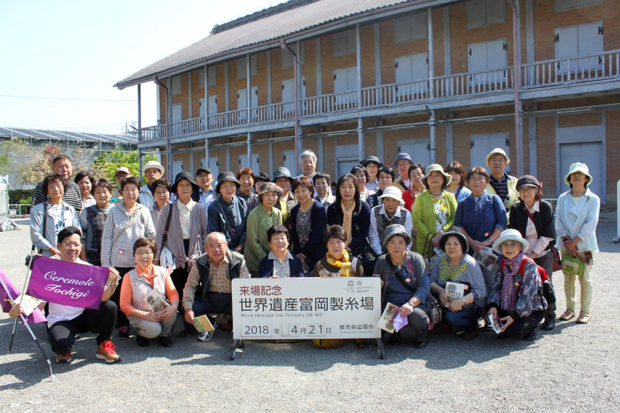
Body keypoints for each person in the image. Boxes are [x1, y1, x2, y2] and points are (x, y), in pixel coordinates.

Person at [10, 226, 121, 363]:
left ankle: (104, 345)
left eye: (76, 244)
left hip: (84, 317)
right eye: (68, 244)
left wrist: (113, 284)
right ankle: (64, 348)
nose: (72, 248)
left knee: (109, 306)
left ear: (81, 247)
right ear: (59, 246)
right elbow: (31, 299)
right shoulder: (48, 267)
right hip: (60, 320)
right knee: (61, 346)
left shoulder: (87, 268)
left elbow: (103, 298)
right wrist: (15, 311)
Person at [101, 175, 156, 339]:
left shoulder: (143, 211)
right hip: (118, 262)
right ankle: (123, 324)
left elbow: (151, 234)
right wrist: (106, 263)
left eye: (134, 189)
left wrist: (148, 255)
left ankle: (140, 324)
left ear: (139, 192)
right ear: (121, 192)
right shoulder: (113, 211)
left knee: (139, 294)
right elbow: (107, 237)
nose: (131, 193)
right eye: (127, 189)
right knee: (119, 294)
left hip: (138, 262)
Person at [508, 175, 557, 330]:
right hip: (523, 254)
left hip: (542, 252)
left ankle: (550, 315)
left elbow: (548, 235)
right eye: (522, 190)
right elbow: (514, 232)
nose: (526, 192)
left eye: (529, 189)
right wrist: (521, 254)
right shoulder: (516, 209)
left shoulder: (545, 207)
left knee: (545, 284)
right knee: (524, 285)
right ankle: (529, 315)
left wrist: (533, 254)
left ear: (537, 190)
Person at [155, 172, 208, 314]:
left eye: (188, 185)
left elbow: (204, 233)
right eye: (181, 185)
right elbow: (160, 233)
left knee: (194, 288)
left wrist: (204, 254)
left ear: (192, 188)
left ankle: (192, 322)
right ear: (176, 189)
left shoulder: (199, 208)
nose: (185, 188)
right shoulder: (168, 209)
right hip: (174, 253)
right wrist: (157, 255)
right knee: (176, 288)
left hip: (194, 253)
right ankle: (179, 322)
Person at [183, 232, 250, 341]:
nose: (216, 250)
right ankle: (207, 327)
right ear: (205, 248)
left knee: (247, 307)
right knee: (189, 306)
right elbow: (190, 286)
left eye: (219, 245)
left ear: (226, 245)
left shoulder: (239, 260)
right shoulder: (200, 262)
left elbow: (246, 287)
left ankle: (239, 331)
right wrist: (188, 309)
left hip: (232, 300)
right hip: (210, 299)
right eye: (212, 246)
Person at [555, 162, 600, 325]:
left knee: (585, 277)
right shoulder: (562, 198)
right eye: (574, 174)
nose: (576, 177)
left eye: (580, 174)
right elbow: (558, 220)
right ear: (570, 178)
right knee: (568, 276)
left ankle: (585, 311)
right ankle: (569, 308)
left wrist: (575, 242)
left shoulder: (593, 199)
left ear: (586, 178)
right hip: (566, 245)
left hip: (586, 246)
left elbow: (591, 223)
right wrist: (567, 240)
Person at [373, 224, 430, 348]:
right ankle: (395, 334)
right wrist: (377, 285)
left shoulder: (416, 259)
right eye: (392, 242)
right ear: (386, 245)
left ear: (406, 244)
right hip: (390, 303)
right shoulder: (382, 261)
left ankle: (421, 335)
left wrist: (410, 304)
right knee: (379, 318)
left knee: (417, 316)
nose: (396, 246)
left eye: (400, 242)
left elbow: (424, 287)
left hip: (414, 302)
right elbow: (374, 287)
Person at [487, 229, 546, 341]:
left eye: (513, 244)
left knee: (514, 331)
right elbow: (496, 287)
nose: (509, 248)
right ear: (501, 248)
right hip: (509, 305)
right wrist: (493, 305)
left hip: (531, 308)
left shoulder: (529, 265)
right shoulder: (502, 264)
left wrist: (514, 316)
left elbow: (528, 296)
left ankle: (532, 327)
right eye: (505, 245)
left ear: (520, 247)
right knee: (500, 330)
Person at [454, 166, 507, 289]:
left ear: (487, 182)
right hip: (468, 250)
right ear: (467, 182)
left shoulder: (494, 200)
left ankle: (491, 307)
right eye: (473, 178)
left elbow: (501, 223)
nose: (477, 181)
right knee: (469, 282)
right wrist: (472, 243)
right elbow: (458, 225)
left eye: (480, 178)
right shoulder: (463, 203)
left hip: (489, 251)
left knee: (490, 282)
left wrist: (487, 242)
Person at [119, 238, 178, 347]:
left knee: (172, 311)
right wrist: (146, 315)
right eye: (139, 253)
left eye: (147, 252)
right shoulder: (129, 276)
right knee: (154, 329)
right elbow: (124, 305)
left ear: (154, 254)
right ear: (134, 256)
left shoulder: (162, 271)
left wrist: (173, 307)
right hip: (140, 314)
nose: (143, 256)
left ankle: (164, 335)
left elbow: (173, 293)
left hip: (159, 309)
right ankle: (142, 334)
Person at [429, 231, 486, 340]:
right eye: (448, 244)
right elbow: (431, 281)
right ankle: (445, 325)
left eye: (456, 244)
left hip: (469, 305)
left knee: (453, 317)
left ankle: (472, 327)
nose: (451, 247)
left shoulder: (470, 264)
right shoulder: (440, 260)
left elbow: (481, 290)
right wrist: (440, 291)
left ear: (462, 247)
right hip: (446, 302)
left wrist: (461, 301)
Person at [326, 173, 373, 276]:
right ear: (338, 189)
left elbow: (363, 233)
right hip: (336, 248)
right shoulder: (332, 209)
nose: (347, 190)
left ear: (356, 188)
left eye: (350, 187)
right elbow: (332, 232)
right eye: (343, 187)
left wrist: (350, 248)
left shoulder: (364, 208)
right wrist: (341, 248)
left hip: (359, 248)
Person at [412, 164, 457, 258]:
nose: (434, 178)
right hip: (425, 246)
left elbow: (454, 217)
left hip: (447, 243)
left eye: (437, 175)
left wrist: (442, 232)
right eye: (431, 176)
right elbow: (416, 220)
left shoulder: (450, 197)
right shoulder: (420, 198)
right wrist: (431, 238)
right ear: (427, 180)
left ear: (443, 178)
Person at [30, 174, 80, 257]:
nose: (56, 189)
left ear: (64, 187)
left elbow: (77, 231)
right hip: (47, 255)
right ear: (47, 190)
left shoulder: (70, 209)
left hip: (69, 255)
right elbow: (35, 234)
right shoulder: (37, 210)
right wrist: (52, 249)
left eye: (59, 186)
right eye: (51, 187)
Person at [288, 176, 327, 273]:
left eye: (303, 190)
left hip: (317, 255)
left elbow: (318, 235)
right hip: (299, 256)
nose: (301, 194)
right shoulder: (294, 211)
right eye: (297, 191)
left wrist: (304, 254)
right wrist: (298, 254)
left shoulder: (319, 209)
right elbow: (294, 235)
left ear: (310, 191)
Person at [244, 182, 283, 276]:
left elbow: (280, 235)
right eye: (267, 195)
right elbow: (253, 241)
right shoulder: (254, 214)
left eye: (274, 195)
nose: (271, 198)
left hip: (273, 258)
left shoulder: (277, 213)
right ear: (261, 197)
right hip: (256, 259)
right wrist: (267, 259)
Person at [207, 171, 248, 252]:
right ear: (220, 189)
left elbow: (246, 227)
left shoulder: (242, 202)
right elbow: (214, 232)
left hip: (243, 247)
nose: (229, 189)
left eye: (232, 186)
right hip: (222, 250)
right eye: (225, 186)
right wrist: (226, 249)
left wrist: (241, 245)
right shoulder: (213, 207)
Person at [369, 186, 412, 256]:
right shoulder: (375, 211)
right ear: (383, 200)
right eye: (387, 200)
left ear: (399, 202)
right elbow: (374, 235)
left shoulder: (406, 214)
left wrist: (401, 254)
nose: (390, 204)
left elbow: (407, 238)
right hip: (379, 251)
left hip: (400, 252)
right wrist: (379, 254)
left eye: (394, 200)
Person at [80, 178, 113, 266]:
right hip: (93, 256)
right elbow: (81, 237)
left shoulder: (117, 211)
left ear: (110, 194)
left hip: (114, 255)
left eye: (105, 191)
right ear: (93, 195)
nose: (102, 195)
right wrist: (84, 258)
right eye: (98, 192)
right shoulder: (87, 212)